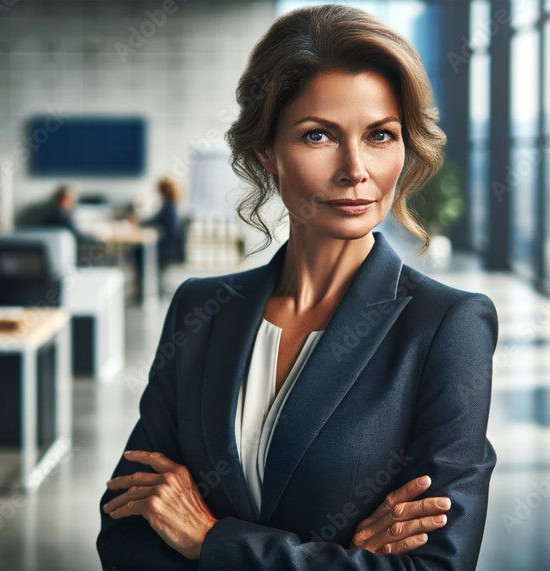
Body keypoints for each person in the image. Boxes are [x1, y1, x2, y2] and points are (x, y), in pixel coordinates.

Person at [96, 4, 498, 569]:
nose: (355, 169)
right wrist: (340, 557)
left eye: (381, 135)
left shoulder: (447, 328)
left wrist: (208, 539)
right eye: (318, 136)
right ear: (267, 151)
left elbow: (434, 565)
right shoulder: (202, 308)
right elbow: (126, 529)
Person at [126, 176, 185, 300]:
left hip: (167, 250)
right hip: (171, 248)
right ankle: (143, 286)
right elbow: (156, 222)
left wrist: (139, 223)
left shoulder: (168, 208)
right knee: (138, 250)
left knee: (138, 252)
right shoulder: (171, 206)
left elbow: (156, 222)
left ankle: (142, 288)